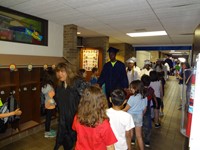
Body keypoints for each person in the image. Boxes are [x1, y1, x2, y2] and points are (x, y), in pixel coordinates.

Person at [54, 62, 88, 150]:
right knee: (65, 142)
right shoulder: (60, 85)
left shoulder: (78, 83)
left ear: (68, 71)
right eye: (58, 72)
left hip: (75, 120)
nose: (60, 74)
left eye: (62, 71)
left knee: (76, 142)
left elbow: (88, 99)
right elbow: (59, 100)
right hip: (63, 120)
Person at [72, 86, 117, 150]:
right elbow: (110, 147)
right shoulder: (103, 123)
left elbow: (75, 129)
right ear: (101, 102)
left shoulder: (77, 117)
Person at [123, 80, 147, 150]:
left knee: (129, 135)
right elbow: (144, 109)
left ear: (136, 88)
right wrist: (141, 116)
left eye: (131, 88)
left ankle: (129, 148)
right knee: (139, 136)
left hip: (130, 117)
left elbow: (126, 109)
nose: (130, 89)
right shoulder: (144, 97)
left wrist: (117, 111)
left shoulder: (132, 98)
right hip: (139, 116)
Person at [141, 74, 157, 147]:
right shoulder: (151, 90)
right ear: (149, 82)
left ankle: (134, 139)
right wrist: (156, 103)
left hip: (139, 109)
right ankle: (147, 141)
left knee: (138, 124)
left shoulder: (139, 90)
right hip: (148, 109)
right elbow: (154, 96)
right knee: (147, 125)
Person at [41, 70, 56, 138]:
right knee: (48, 118)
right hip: (49, 104)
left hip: (48, 103)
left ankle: (48, 130)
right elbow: (50, 97)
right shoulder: (49, 86)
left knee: (48, 118)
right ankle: (47, 132)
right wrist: (55, 103)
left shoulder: (46, 85)